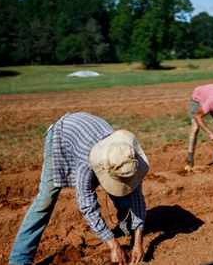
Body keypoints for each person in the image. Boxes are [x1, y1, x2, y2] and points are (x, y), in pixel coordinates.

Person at [9, 112, 149, 265]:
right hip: (60, 137)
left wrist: (138, 243)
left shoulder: (127, 157)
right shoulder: (86, 163)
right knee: (46, 199)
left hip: (87, 134)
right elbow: (88, 207)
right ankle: (19, 259)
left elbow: (137, 199)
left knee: (123, 189)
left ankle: (129, 233)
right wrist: (114, 246)